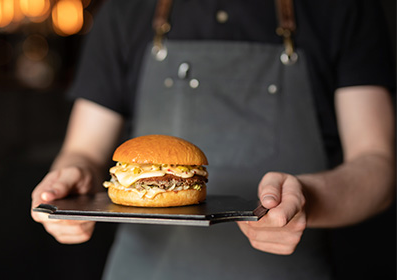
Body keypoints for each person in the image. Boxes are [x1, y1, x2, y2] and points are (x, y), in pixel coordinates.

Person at [31, 0, 395, 279]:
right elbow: (82, 150)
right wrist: (69, 178)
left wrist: (308, 199)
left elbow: (378, 166)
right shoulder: (126, 10)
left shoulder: (343, 8)